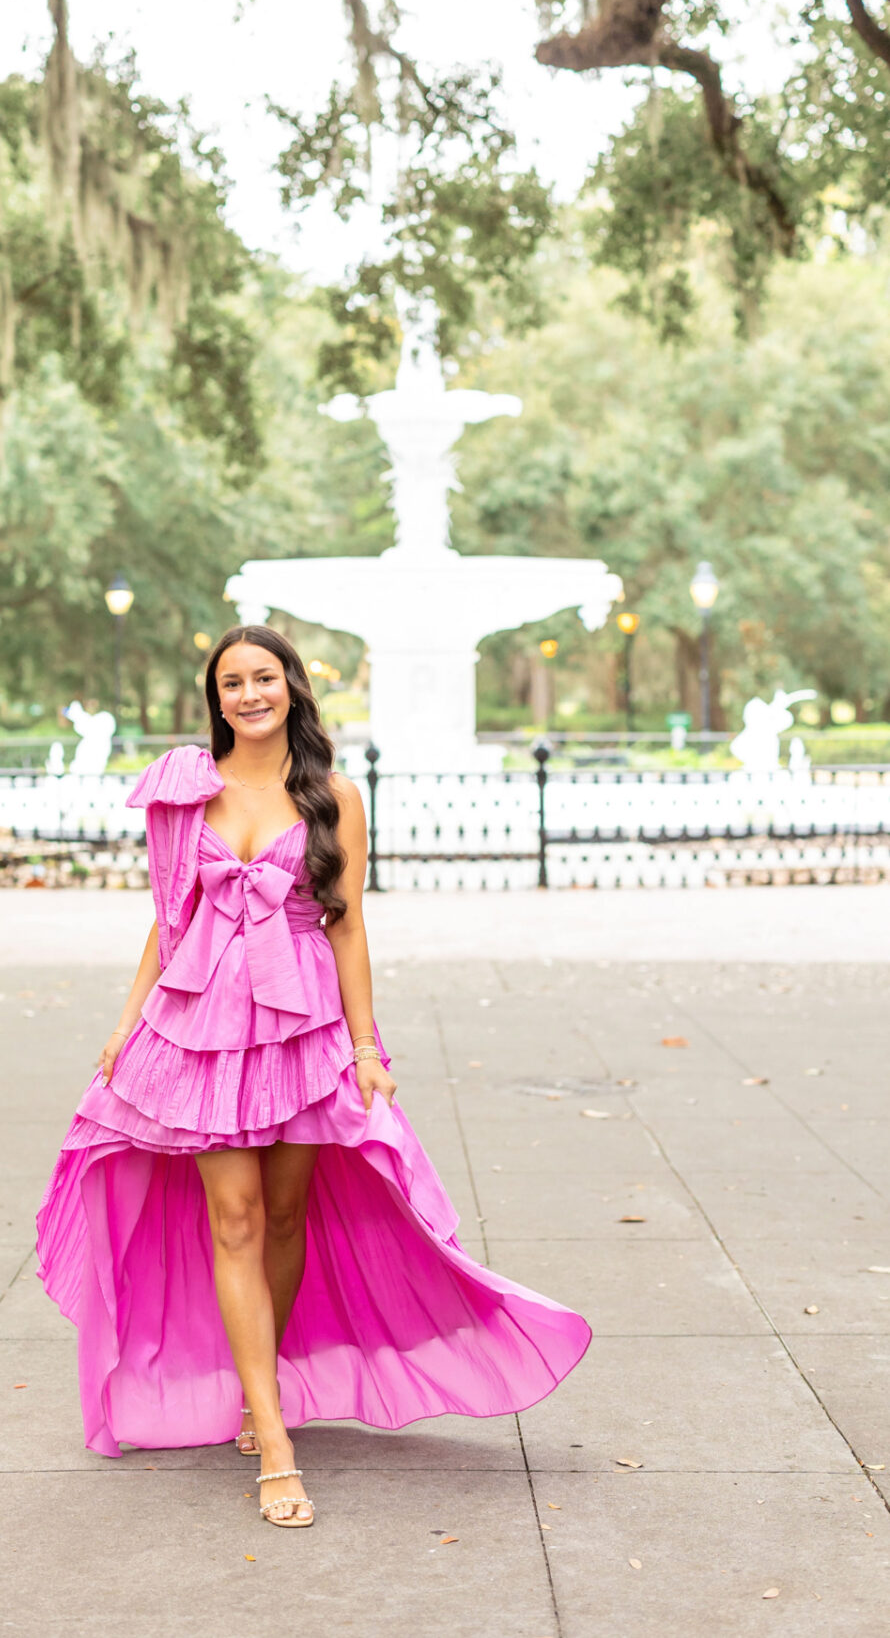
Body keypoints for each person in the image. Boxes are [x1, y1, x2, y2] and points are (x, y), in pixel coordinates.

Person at [37, 624, 590, 1528]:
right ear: (214, 699)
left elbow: (347, 925)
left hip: (303, 1024)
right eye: (231, 683)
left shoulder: (332, 794)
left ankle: (260, 1388)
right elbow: (167, 921)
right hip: (200, 1025)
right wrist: (126, 1022)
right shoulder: (185, 790)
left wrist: (367, 1047)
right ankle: (274, 1434)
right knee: (238, 1216)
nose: (248, 694)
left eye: (263, 677)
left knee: (287, 1214)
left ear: (290, 687)